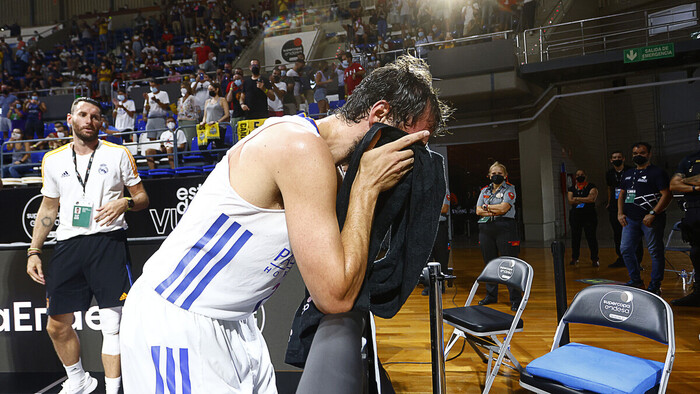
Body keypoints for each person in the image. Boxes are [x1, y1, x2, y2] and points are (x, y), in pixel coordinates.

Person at [120, 55, 450, 392]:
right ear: (379, 115)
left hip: (235, 322)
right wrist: (366, 185)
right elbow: (334, 296)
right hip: (177, 318)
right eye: (411, 142)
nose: (412, 159)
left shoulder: (328, 166)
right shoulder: (299, 147)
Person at [26, 97, 149, 394]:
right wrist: (34, 250)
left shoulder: (118, 154)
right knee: (56, 325)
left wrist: (126, 201)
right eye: (83, 114)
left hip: (108, 242)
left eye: (95, 116)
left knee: (111, 325)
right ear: (70, 119)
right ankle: (79, 380)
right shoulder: (53, 160)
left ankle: (112, 389)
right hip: (68, 245)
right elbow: (48, 207)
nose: (89, 120)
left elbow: (142, 198)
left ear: (101, 123)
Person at [617, 142, 672, 295]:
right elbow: (622, 194)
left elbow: (667, 195)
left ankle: (655, 284)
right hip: (630, 219)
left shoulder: (657, 172)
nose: (638, 156)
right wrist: (620, 213)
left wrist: (653, 213)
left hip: (651, 220)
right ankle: (635, 280)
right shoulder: (628, 173)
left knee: (655, 252)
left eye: (642, 153)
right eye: (635, 153)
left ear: (649, 154)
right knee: (625, 249)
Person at [475, 161, 522, 311]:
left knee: (509, 264)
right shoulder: (484, 191)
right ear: (489, 176)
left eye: (499, 174)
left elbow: (503, 208)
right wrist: (492, 210)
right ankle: (491, 295)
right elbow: (477, 211)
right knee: (489, 264)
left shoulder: (510, 189)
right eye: (493, 174)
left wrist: (486, 208)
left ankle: (515, 299)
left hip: (505, 228)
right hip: (486, 229)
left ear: (505, 175)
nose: (496, 176)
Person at [669, 132, 700, 306]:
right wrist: (695, 186)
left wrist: (686, 182)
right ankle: (698, 294)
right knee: (696, 254)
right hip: (694, 217)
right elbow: (674, 184)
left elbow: (681, 182)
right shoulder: (689, 160)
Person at [605, 151, 643, 268]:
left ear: (624, 159)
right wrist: (609, 201)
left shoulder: (630, 170)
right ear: (611, 160)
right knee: (617, 233)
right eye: (614, 157)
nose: (617, 159)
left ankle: (637, 260)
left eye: (619, 157)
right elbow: (609, 188)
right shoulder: (609, 173)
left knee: (634, 233)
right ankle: (621, 258)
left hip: (629, 203)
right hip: (614, 206)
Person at [567, 169, 599, 267]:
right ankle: (574, 258)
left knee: (591, 237)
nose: (579, 176)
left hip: (589, 215)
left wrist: (577, 198)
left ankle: (595, 259)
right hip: (575, 216)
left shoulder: (591, 187)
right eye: (577, 175)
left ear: (586, 176)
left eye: (582, 174)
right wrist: (583, 199)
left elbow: (591, 199)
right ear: (575, 177)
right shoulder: (572, 188)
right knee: (575, 238)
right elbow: (570, 201)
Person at [200, 82, 230, 152]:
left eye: (211, 89)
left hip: (219, 126)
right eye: (209, 90)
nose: (210, 91)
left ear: (217, 90)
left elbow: (227, 114)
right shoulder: (207, 101)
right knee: (202, 146)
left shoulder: (222, 100)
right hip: (208, 127)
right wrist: (203, 121)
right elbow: (205, 114)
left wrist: (217, 122)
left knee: (219, 146)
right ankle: (209, 160)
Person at [177, 82, 199, 149]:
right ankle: (184, 153)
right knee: (182, 139)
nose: (182, 89)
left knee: (190, 138)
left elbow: (198, 110)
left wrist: (190, 115)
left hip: (190, 121)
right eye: (181, 88)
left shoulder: (192, 98)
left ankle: (192, 152)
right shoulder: (180, 99)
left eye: (184, 87)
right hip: (181, 121)